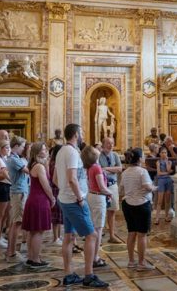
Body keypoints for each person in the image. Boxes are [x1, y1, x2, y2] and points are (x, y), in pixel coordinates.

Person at [54, 123, 108, 288]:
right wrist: (79, 198)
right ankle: (89, 275)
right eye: (82, 132)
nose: (83, 134)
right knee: (91, 236)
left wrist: (64, 192)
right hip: (74, 201)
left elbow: (56, 178)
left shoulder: (61, 151)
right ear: (76, 134)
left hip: (65, 198)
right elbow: (72, 178)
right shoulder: (71, 152)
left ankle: (69, 274)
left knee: (69, 237)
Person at [120, 148, 156, 271]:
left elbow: (121, 189)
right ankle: (141, 263)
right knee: (141, 235)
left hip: (128, 204)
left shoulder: (125, 172)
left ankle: (131, 261)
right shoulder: (142, 171)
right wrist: (153, 188)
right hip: (141, 204)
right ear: (140, 159)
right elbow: (147, 186)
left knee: (131, 232)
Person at [22, 142, 54, 268]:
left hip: (34, 199)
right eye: (43, 149)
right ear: (37, 152)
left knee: (33, 231)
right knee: (38, 231)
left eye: (45, 149)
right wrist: (52, 198)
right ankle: (35, 259)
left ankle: (32, 257)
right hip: (39, 200)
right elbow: (46, 185)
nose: (45, 151)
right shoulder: (39, 167)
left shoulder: (36, 165)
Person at [82, 145, 112, 269]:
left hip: (91, 196)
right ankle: (95, 257)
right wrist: (110, 193)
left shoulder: (90, 167)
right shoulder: (97, 167)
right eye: (95, 150)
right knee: (98, 229)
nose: (98, 150)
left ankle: (92, 255)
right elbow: (101, 186)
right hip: (98, 197)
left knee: (93, 227)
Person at [5, 136, 28, 263]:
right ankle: (12, 252)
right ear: (16, 146)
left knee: (16, 222)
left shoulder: (15, 158)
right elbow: (28, 171)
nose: (23, 149)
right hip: (18, 192)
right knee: (17, 223)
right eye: (22, 146)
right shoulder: (14, 159)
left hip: (18, 191)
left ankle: (11, 250)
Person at [98, 137, 122, 243]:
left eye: (112, 143)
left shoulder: (115, 155)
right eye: (108, 143)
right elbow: (98, 171)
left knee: (112, 210)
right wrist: (112, 169)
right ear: (103, 144)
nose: (111, 145)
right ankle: (99, 235)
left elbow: (120, 169)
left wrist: (106, 169)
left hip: (112, 185)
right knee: (101, 211)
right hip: (101, 186)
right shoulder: (98, 156)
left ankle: (112, 235)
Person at [48, 145, 63, 245]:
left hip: (57, 189)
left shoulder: (56, 162)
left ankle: (58, 235)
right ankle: (55, 237)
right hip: (55, 189)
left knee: (59, 214)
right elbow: (55, 179)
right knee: (56, 215)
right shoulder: (54, 164)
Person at [154, 146, 173, 225]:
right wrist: (167, 173)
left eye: (165, 152)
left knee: (167, 200)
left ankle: (166, 216)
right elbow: (159, 173)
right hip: (161, 180)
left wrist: (167, 162)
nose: (164, 154)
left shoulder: (169, 162)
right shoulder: (158, 162)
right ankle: (157, 217)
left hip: (168, 180)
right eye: (162, 152)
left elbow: (168, 170)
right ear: (160, 153)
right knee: (160, 200)